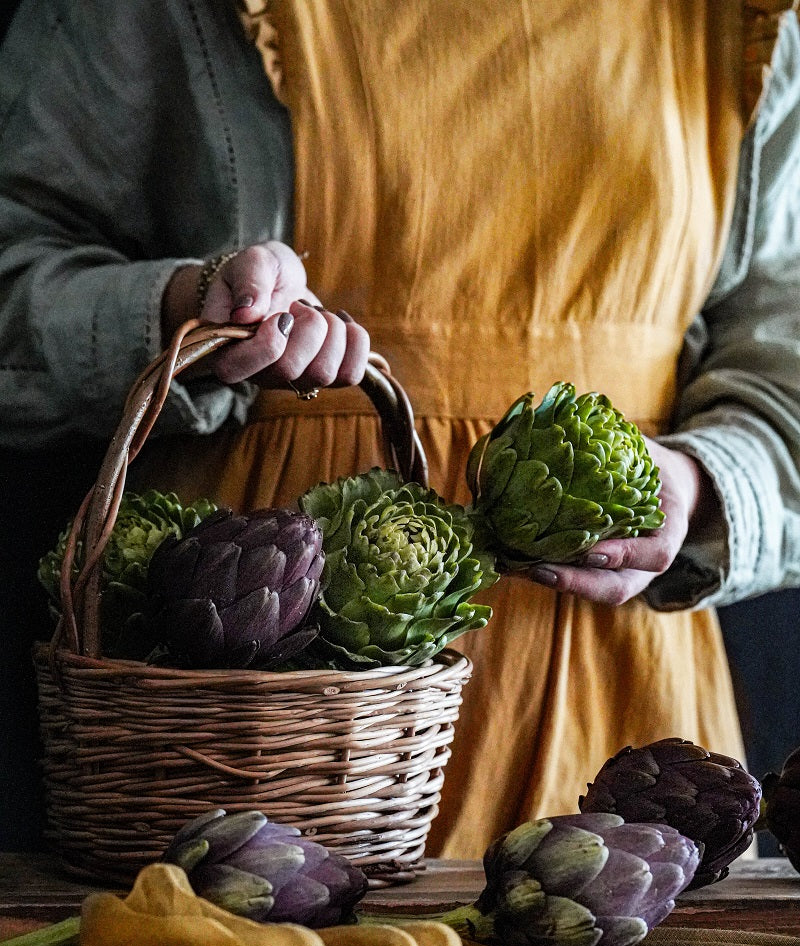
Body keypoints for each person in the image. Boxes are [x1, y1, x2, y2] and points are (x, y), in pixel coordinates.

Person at [1, 0, 799, 858]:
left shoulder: (740, 15)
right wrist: (193, 315)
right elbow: (19, 270)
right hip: (263, 689)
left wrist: (698, 485)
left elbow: (782, 342)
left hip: (621, 674)